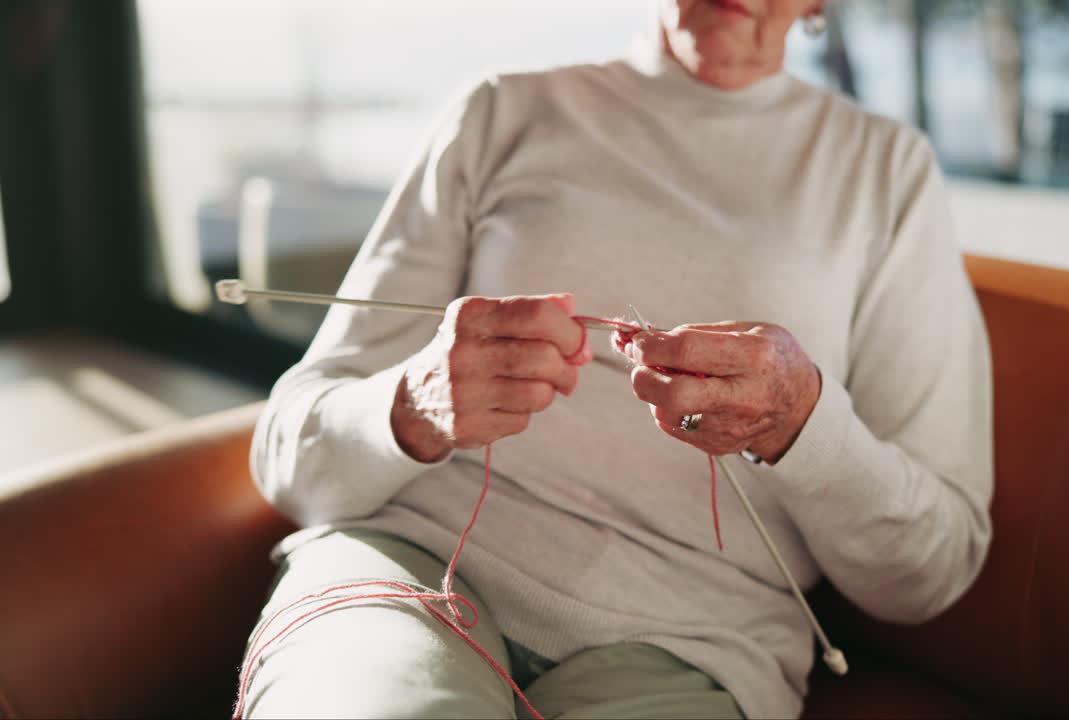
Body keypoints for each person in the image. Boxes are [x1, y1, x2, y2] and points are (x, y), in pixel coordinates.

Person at [241, 0, 994, 717]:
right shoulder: (501, 112)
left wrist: (801, 422)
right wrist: (413, 406)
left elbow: (932, 571)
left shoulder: (888, 171)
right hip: (410, 567)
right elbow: (288, 453)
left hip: (693, 648)